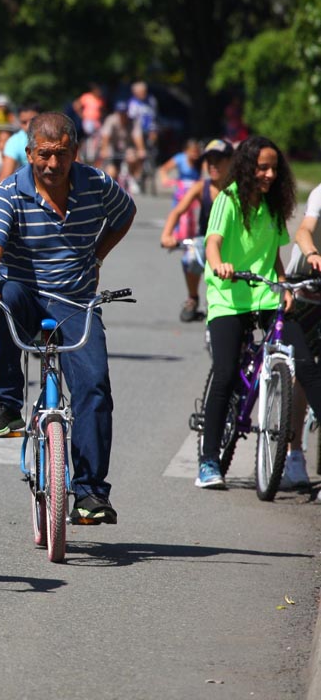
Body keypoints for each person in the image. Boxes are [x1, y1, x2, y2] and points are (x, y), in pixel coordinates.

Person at [0, 112, 135, 524]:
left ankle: (90, 493)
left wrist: (97, 256)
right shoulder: (9, 191)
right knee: (4, 295)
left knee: (94, 388)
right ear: (29, 153)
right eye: (44, 155)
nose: (52, 165)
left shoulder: (96, 184)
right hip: (26, 295)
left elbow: (125, 214)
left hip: (76, 301)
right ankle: (4, 406)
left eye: (61, 155)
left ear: (75, 152)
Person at [195, 136, 321, 490]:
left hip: (266, 296)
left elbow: (273, 257)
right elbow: (213, 243)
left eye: (273, 168)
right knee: (224, 374)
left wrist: (283, 285)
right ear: (247, 167)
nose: (268, 174)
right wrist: (219, 266)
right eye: (261, 167)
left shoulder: (272, 207)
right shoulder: (229, 199)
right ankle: (207, 461)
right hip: (229, 297)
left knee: (305, 362)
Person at [159, 139, 234, 322]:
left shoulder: (238, 188)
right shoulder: (202, 187)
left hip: (232, 240)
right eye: (209, 161)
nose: (213, 166)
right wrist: (167, 234)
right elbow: (178, 210)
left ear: (231, 162)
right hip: (206, 239)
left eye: (219, 160)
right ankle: (193, 297)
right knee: (190, 256)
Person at [284, 180, 321, 488]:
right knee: (304, 370)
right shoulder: (320, 193)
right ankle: (294, 455)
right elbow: (303, 230)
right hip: (305, 282)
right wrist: (311, 253)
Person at [100, 100, 143, 189]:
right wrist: (104, 150)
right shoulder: (111, 120)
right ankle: (111, 187)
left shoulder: (132, 121)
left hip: (127, 147)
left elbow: (137, 136)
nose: (122, 115)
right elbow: (106, 136)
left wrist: (141, 149)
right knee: (111, 171)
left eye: (124, 112)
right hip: (113, 148)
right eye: (120, 113)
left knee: (132, 157)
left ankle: (132, 178)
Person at [0, 102, 40, 182]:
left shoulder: (54, 137)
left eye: (33, 121)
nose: (28, 126)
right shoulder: (14, 142)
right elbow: (4, 179)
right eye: (24, 122)